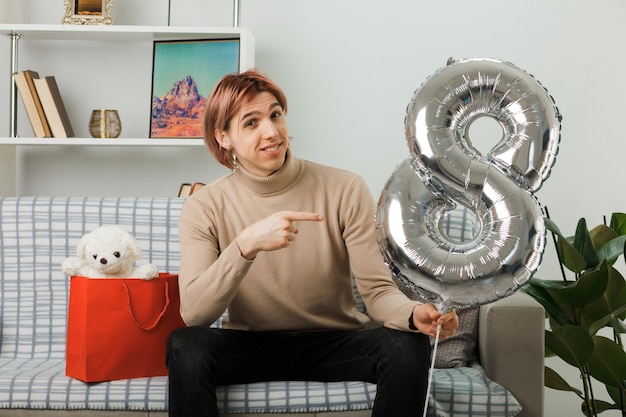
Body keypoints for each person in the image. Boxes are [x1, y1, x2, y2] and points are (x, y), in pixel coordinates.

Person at [166, 69, 459, 417]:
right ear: (223, 138)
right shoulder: (204, 205)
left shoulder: (344, 188)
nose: (272, 132)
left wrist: (414, 314)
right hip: (251, 346)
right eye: (251, 123)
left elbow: (377, 292)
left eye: (275, 115)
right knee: (185, 345)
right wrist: (244, 246)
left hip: (335, 343)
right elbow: (194, 314)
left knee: (407, 346)